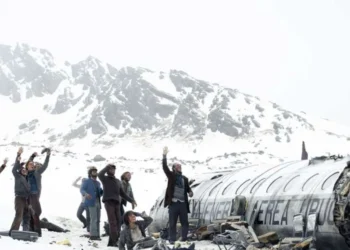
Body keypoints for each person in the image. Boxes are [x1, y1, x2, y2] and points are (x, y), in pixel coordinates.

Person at [98, 164, 137, 247]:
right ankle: (115, 241)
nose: (112, 170)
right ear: (108, 171)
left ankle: (113, 241)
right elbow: (99, 174)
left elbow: (122, 194)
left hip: (117, 203)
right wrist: (106, 167)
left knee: (119, 222)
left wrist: (131, 200)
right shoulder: (105, 179)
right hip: (109, 202)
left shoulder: (117, 181)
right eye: (110, 169)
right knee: (112, 222)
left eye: (113, 169)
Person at [162, 146, 193, 243]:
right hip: (174, 203)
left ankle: (184, 238)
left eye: (180, 166)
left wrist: (190, 191)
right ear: (174, 168)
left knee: (185, 222)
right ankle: (172, 239)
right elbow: (165, 167)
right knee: (172, 223)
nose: (180, 167)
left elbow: (187, 188)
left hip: (182, 203)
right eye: (178, 166)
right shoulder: (171, 176)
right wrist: (164, 156)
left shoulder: (184, 178)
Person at [24, 147, 51, 236]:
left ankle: (35, 230)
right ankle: (35, 231)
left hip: (35, 195)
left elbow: (45, 165)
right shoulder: (26, 172)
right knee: (32, 212)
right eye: (31, 164)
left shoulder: (37, 172)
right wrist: (32, 156)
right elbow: (28, 163)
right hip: (28, 195)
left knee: (37, 211)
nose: (33, 164)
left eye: (34, 164)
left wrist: (48, 155)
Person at [9, 147, 31, 235]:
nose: (25, 171)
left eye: (26, 170)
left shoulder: (27, 179)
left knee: (27, 216)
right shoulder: (18, 176)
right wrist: (18, 155)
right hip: (19, 198)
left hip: (26, 199)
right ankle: (13, 231)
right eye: (23, 170)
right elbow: (15, 168)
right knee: (19, 215)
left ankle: (25, 232)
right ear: (21, 171)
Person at [80, 167, 103, 240]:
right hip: (90, 202)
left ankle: (97, 235)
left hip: (98, 202)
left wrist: (104, 191)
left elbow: (100, 192)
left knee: (98, 219)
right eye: (93, 171)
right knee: (94, 218)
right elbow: (82, 189)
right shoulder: (86, 181)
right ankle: (93, 235)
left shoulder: (98, 183)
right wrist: (86, 194)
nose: (95, 173)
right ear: (90, 173)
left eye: (96, 171)